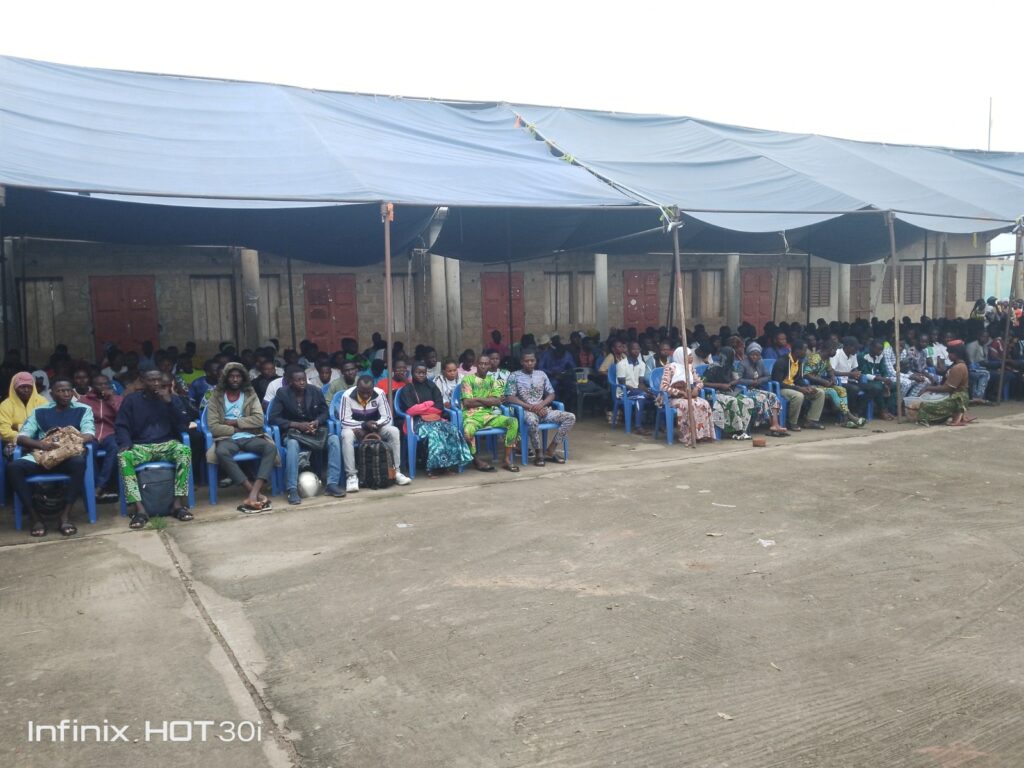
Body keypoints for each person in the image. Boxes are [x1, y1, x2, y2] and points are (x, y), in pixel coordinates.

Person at [8, 379, 95, 537]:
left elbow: (89, 434)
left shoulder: (83, 409)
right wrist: (42, 445)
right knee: (14, 467)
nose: (66, 394)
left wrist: (67, 440)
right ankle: (35, 517)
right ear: (52, 393)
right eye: (60, 391)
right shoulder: (39, 411)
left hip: (67, 456)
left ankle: (65, 516)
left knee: (79, 463)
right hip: (43, 456)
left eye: (68, 390)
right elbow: (22, 437)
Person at [115, 369, 194, 528]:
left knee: (184, 451)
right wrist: (125, 443)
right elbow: (121, 425)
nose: (156, 383)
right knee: (124, 458)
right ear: (143, 381)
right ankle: (139, 509)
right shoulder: (132, 400)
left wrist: (169, 403)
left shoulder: (172, 399)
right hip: (141, 446)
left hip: (166, 444)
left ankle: (177, 505)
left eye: (159, 380)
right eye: (151, 380)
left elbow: (183, 424)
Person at [206, 363, 281, 512]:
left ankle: (253, 493)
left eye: (238, 376)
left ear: (243, 378)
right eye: (231, 376)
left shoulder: (250, 395)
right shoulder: (216, 396)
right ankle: (253, 492)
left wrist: (235, 422)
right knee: (221, 452)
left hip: (250, 436)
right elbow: (213, 426)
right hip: (226, 437)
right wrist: (236, 429)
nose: (235, 379)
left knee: (270, 448)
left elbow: (259, 420)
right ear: (225, 378)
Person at [269, 369, 346, 505]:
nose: (302, 382)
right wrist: (296, 425)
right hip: (294, 433)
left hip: (314, 432)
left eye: (303, 379)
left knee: (334, 439)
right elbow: (273, 418)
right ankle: (292, 488)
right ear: (290, 382)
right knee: (292, 444)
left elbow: (325, 413)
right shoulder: (282, 393)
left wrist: (316, 422)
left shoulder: (315, 391)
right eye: (298, 380)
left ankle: (332, 484)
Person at [337, 374, 411, 492]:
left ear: (373, 388)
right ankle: (351, 476)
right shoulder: (347, 396)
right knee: (346, 435)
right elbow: (344, 421)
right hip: (355, 429)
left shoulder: (379, 393)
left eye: (369, 392)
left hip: (375, 428)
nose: (366, 395)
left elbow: (387, 417)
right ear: (357, 388)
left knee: (394, 431)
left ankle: (395, 472)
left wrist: (374, 426)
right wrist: (363, 425)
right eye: (362, 392)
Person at [398, 362, 472, 477]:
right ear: (412, 373)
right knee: (434, 434)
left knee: (452, 429)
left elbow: (439, 407)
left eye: (423, 373)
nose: (421, 375)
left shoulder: (431, 386)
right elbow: (411, 410)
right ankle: (432, 468)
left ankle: (447, 466)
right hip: (416, 422)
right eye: (418, 372)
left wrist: (422, 408)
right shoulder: (407, 389)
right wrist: (429, 404)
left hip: (436, 419)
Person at [505, 350, 575, 466]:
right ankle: (538, 453)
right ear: (522, 362)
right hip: (526, 411)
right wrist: (531, 407)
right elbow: (510, 397)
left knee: (570, 417)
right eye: (526, 361)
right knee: (532, 420)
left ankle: (550, 450)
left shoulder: (541, 374)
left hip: (543, 410)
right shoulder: (514, 376)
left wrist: (541, 405)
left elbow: (551, 394)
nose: (530, 363)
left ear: (536, 361)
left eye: (532, 361)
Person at [703, 347, 786, 438]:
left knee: (747, 401)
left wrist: (731, 383)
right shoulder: (712, 367)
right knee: (734, 402)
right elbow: (703, 383)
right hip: (714, 393)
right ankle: (735, 431)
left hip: (729, 391)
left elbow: (737, 379)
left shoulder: (731, 366)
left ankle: (745, 429)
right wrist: (721, 385)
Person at [459, 354, 520, 472]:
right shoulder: (467, 379)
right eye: (480, 364)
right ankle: (476, 459)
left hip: (489, 416)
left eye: (486, 364)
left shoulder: (492, 381)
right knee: (467, 431)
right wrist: (488, 401)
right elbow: (467, 403)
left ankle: (506, 459)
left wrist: (477, 399)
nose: (483, 366)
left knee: (513, 422)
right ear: (476, 365)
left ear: (489, 366)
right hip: (472, 417)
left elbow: (496, 401)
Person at [78, 374, 123, 502]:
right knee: (87, 450)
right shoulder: (84, 400)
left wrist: (111, 400)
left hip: (111, 433)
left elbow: (122, 416)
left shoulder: (118, 399)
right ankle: (95, 486)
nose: (103, 386)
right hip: (91, 433)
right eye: (99, 384)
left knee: (114, 448)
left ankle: (100, 486)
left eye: (105, 384)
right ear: (93, 386)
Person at [659, 347, 714, 443]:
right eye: (689, 356)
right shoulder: (670, 367)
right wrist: (680, 392)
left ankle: (702, 434)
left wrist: (696, 389)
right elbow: (664, 386)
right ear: (681, 357)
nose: (691, 358)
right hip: (673, 398)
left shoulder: (690, 367)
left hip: (689, 396)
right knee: (689, 405)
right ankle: (688, 435)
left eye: (691, 355)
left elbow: (700, 382)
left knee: (705, 404)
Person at [803, 340, 864, 428]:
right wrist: (823, 381)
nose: (836, 352)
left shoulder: (826, 358)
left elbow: (830, 370)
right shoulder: (815, 358)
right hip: (809, 385)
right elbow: (807, 375)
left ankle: (844, 419)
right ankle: (849, 416)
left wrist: (832, 378)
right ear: (830, 349)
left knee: (842, 390)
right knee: (832, 392)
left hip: (820, 384)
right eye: (835, 350)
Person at [909, 344, 972, 426]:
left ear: (956, 354)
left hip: (957, 399)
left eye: (950, 353)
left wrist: (928, 388)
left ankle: (956, 413)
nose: (948, 355)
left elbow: (948, 388)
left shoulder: (958, 367)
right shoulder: (957, 365)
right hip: (955, 396)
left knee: (924, 406)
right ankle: (956, 414)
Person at [771, 339, 826, 430]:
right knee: (798, 396)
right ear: (797, 350)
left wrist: (807, 387)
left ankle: (811, 421)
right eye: (804, 350)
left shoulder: (799, 362)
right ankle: (792, 423)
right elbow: (778, 382)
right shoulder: (781, 361)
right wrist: (799, 388)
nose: (806, 352)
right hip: (781, 389)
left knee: (819, 392)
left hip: (794, 387)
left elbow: (799, 379)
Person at [0, 371, 49, 457]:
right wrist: (26, 439)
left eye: (29, 387)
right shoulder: (6, 405)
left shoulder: (42, 402)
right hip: (14, 442)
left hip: (41, 441)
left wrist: (17, 427)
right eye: (22, 387)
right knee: (11, 453)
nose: (26, 390)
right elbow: (4, 431)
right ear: (14, 388)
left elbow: (47, 426)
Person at [858, 339, 898, 419]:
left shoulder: (880, 356)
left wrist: (885, 381)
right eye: (878, 349)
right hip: (866, 381)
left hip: (879, 380)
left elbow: (884, 371)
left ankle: (888, 410)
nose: (880, 351)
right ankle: (882, 411)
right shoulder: (862, 356)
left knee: (895, 386)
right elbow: (864, 373)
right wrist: (880, 379)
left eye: (881, 349)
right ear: (871, 347)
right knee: (878, 388)